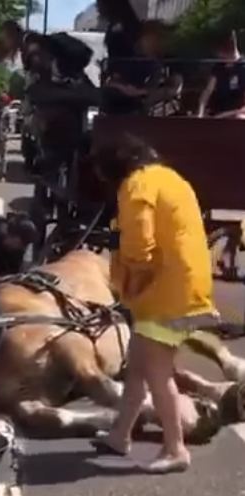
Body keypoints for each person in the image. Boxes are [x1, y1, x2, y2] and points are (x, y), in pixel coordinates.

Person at [90, 134, 219, 474]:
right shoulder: (170, 179)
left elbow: (140, 247)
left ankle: (175, 449)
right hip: (186, 286)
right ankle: (120, 435)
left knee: (158, 375)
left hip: (164, 294)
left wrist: (130, 281)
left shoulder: (137, 185)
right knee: (137, 367)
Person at [198, 30, 245, 118]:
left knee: (239, 118)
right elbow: (208, 90)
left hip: (238, 114)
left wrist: (229, 114)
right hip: (219, 112)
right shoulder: (219, 67)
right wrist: (200, 112)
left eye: (221, 53)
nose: (219, 56)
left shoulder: (242, 67)